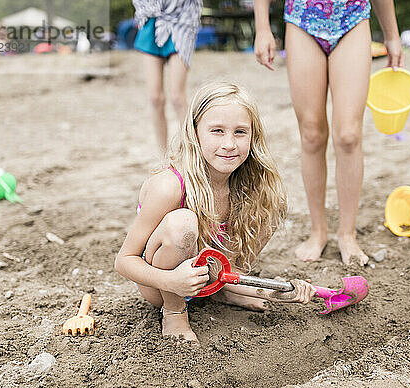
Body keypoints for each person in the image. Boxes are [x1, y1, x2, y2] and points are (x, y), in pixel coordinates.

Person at [115, 82, 316, 345]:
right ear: (195, 132)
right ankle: (175, 312)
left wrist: (274, 291)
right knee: (182, 223)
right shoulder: (170, 185)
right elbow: (124, 261)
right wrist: (172, 281)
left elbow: (230, 259)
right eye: (217, 131)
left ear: (253, 136)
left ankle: (227, 290)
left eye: (240, 132)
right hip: (163, 285)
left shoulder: (248, 184)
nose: (229, 144)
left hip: (209, 277)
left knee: (270, 199)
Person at [253, 0, 404, 265]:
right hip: (302, 19)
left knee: (348, 135)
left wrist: (391, 34)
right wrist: (263, 27)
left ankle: (347, 234)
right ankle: (318, 231)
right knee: (311, 134)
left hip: (352, 18)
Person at [132, 0, 203, 152]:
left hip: (182, 21)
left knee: (177, 97)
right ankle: (163, 157)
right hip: (149, 19)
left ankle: (191, 152)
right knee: (155, 98)